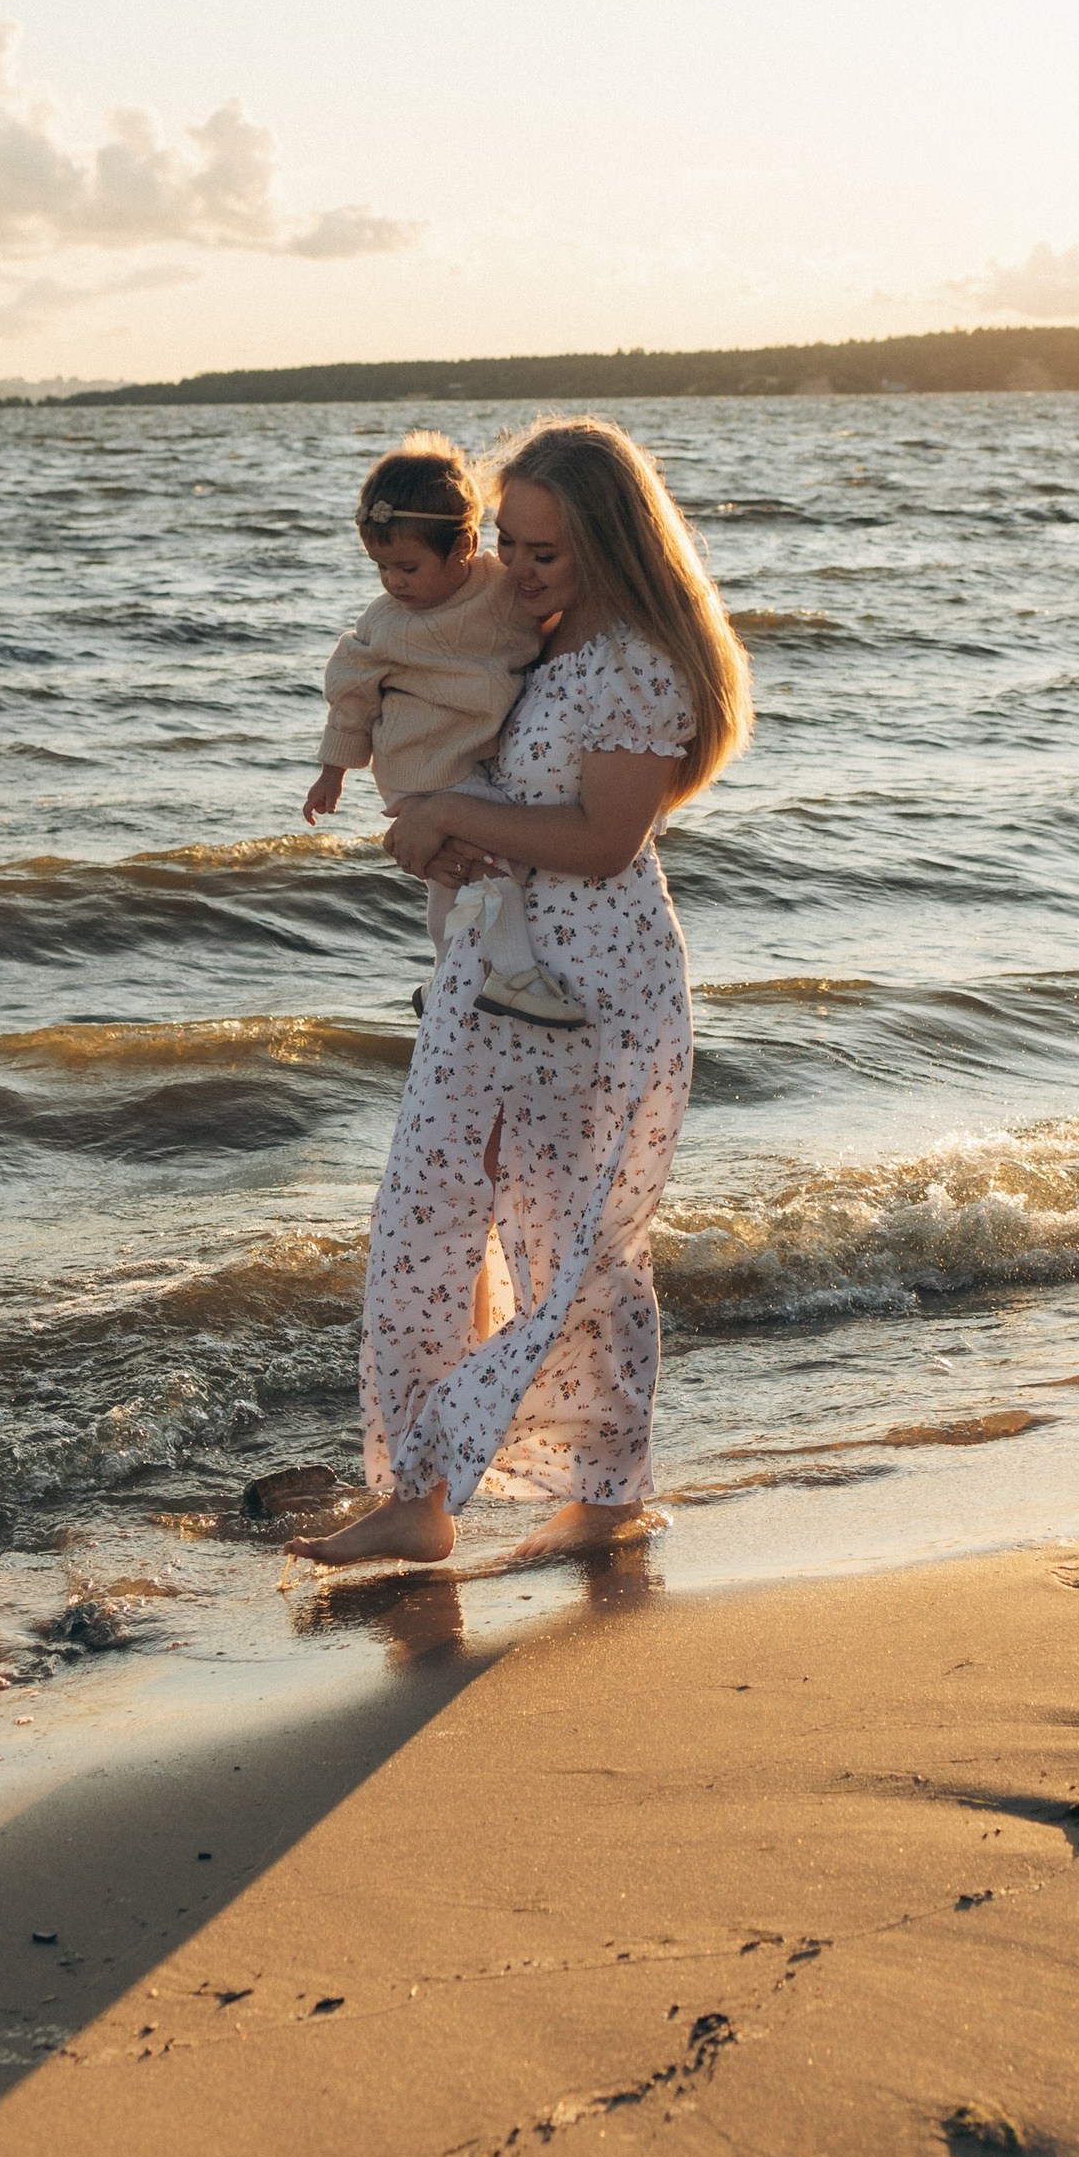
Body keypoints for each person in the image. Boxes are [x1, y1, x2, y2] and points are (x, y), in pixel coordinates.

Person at [301, 414, 751, 1571]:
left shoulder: (635, 665)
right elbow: (452, 758)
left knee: (573, 1243)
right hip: (487, 975)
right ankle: (419, 1489)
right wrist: (427, 824)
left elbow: (603, 838)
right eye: (509, 541)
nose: (518, 567)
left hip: (590, 986)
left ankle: (604, 1491)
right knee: (423, 1221)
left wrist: (451, 818)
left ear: (612, 545)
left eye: (545, 551)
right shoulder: (525, 640)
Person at [305, 435, 588, 1029]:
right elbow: (350, 693)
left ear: (463, 546)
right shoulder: (386, 625)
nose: (393, 582)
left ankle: (447, 982)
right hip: (424, 768)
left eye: (406, 567)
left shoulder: (501, 587)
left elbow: (553, 613)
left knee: (457, 879)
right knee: (487, 866)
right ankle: (510, 974)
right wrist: (333, 772)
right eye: (380, 567)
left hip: (471, 758)